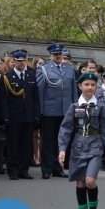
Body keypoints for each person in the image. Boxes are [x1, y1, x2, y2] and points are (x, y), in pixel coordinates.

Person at [58, 72, 105, 209]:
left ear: (96, 87)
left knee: (90, 181)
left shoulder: (101, 107)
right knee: (80, 183)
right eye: (86, 84)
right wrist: (62, 149)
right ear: (80, 86)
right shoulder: (74, 106)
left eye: (92, 85)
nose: (89, 87)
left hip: (95, 146)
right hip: (78, 147)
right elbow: (66, 128)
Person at [36, 43, 78, 179]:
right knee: (48, 141)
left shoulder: (69, 69)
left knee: (61, 141)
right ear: (50, 56)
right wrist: (40, 111)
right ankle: (46, 169)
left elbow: (73, 91)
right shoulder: (44, 69)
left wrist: (75, 108)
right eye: (55, 54)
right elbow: (40, 91)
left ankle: (57, 168)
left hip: (65, 110)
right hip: (49, 110)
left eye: (60, 54)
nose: (58, 56)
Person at [0, 49, 41, 180]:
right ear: (14, 61)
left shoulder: (31, 75)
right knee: (13, 145)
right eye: (19, 61)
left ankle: (24, 170)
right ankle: (13, 170)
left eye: (24, 61)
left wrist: (37, 114)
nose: (22, 63)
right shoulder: (7, 77)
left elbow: (35, 97)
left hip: (28, 116)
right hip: (14, 116)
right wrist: (5, 116)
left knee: (26, 145)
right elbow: (3, 99)